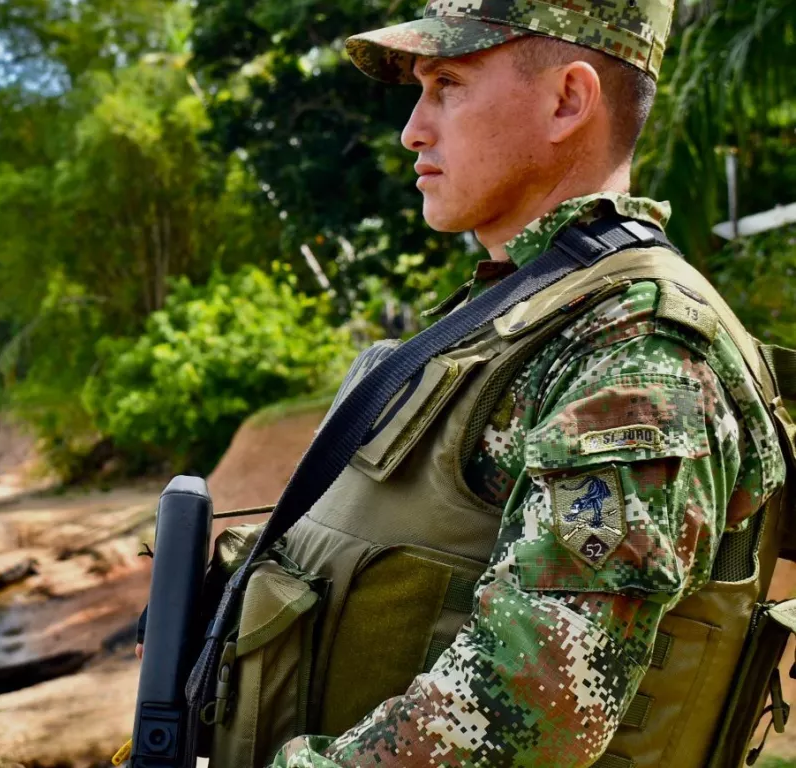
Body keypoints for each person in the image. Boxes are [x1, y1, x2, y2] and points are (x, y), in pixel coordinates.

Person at [189, 0, 794, 766]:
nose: (413, 128)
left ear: (568, 101)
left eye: (447, 84)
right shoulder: (520, 311)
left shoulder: (638, 351)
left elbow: (532, 711)